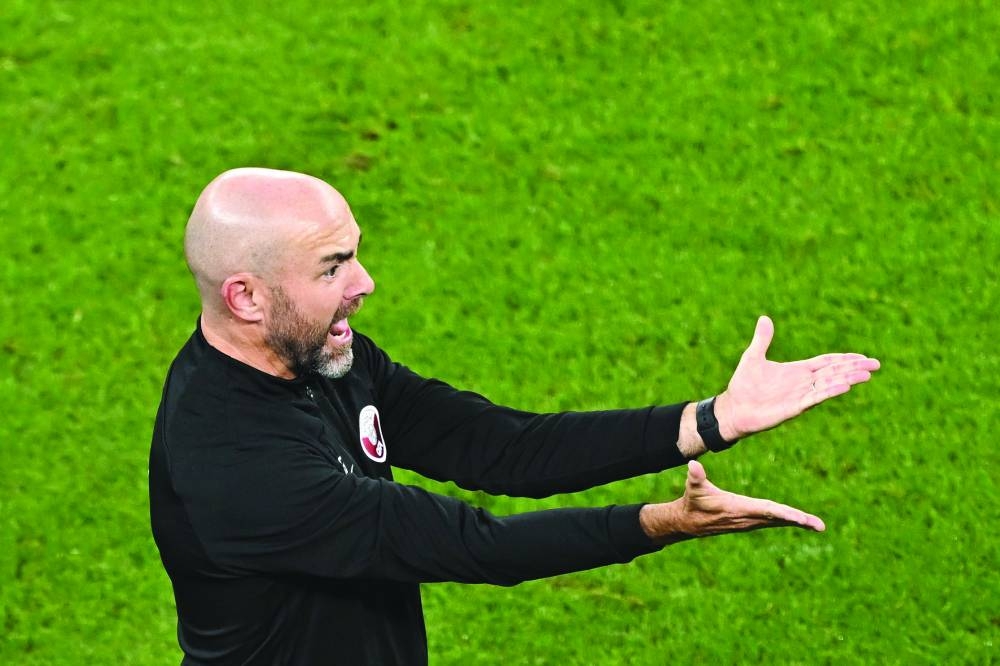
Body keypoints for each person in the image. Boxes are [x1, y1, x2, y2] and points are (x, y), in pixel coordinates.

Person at [149, 167, 880, 665]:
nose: (365, 284)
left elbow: (498, 449)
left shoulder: (321, 353)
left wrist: (711, 419)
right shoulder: (237, 462)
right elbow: (479, 545)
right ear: (246, 296)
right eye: (332, 267)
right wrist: (667, 523)